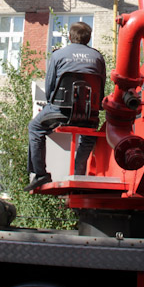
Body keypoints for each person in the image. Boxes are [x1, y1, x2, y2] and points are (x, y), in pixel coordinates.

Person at [24, 21, 106, 192]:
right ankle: (78, 174)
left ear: (70, 37)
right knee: (89, 134)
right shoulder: (98, 57)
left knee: (35, 127)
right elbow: (101, 87)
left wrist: (52, 104)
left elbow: (49, 88)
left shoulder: (58, 55)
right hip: (89, 112)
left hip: (60, 111)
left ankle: (40, 174)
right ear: (89, 38)